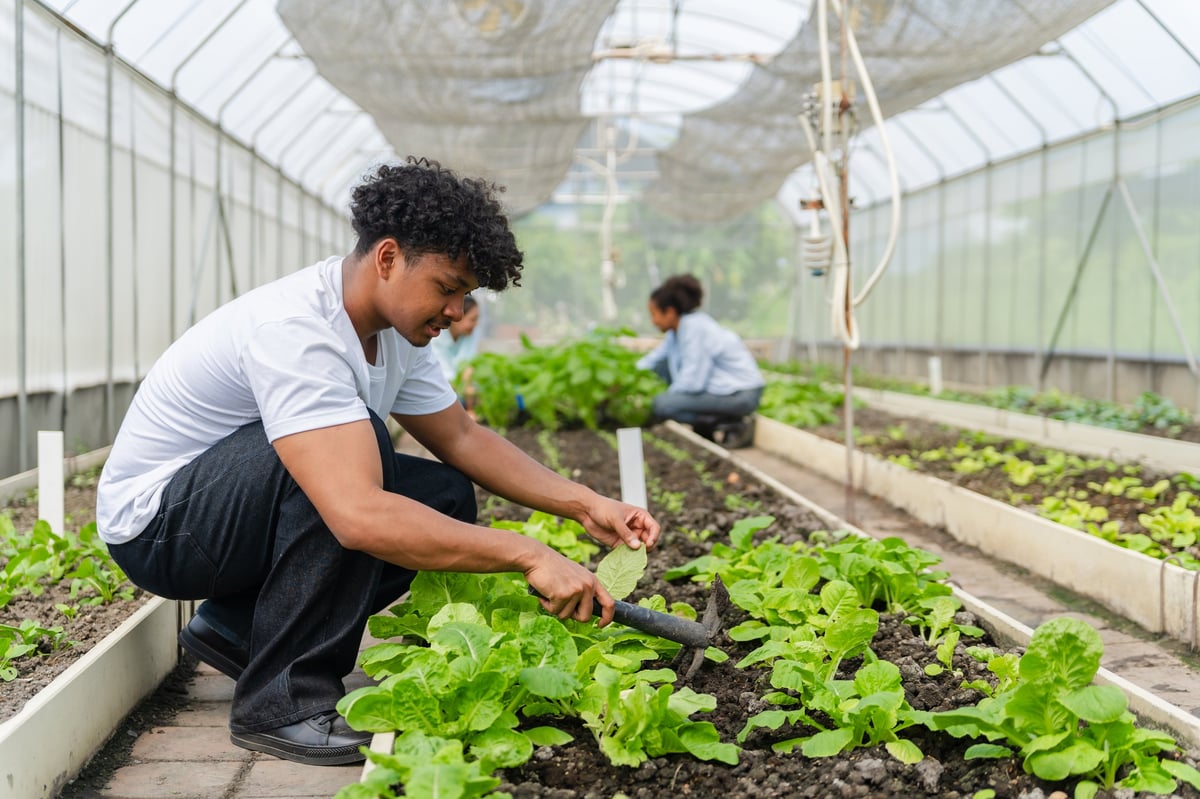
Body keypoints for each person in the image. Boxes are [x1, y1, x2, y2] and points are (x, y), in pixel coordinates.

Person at [95, 158, 659, 767]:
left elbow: (463, 438)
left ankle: (238, 630)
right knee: (348, 461)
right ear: (388, 258)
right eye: (446, 288)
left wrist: (585, 504)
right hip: (161, 528)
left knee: (441, 494)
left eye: (463, 295)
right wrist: (529, 554)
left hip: (224, 517)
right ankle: (279, 704)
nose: (455, 310)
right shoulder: (296, 327)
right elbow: (357, 516)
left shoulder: (394, 330)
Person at [636, 274, 765, 448]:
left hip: (741, 394)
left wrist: (669, 398)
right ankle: (713, 423)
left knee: (663, 405)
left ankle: (732, 424)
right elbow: (653, 360)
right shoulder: (676, 332)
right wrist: (627, 374)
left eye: (655, 314)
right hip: (725, 392)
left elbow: (693, 381)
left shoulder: (694, 328)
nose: (653, 321)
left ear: (671, 312)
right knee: (661, 371)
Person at [431, 293, 481, 413]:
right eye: (472, 319)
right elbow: (445, 377)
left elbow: (469, 366)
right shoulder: (436, 338)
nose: (476, 324)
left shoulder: (468, 336)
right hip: (440, 392)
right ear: (457, 318)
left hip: (460, 391)